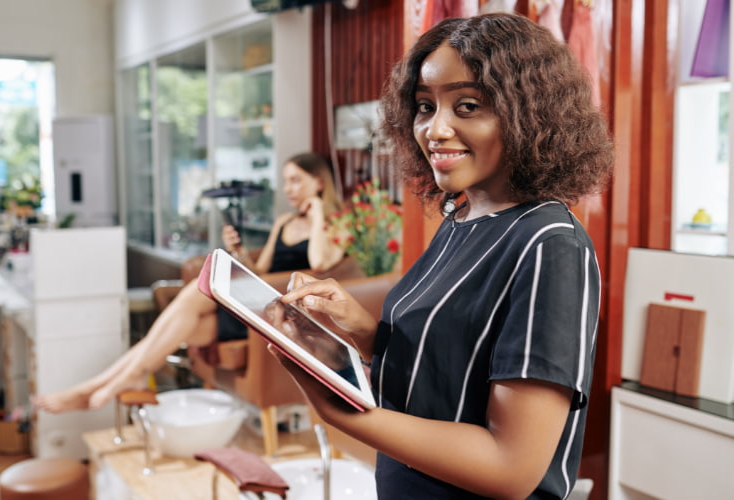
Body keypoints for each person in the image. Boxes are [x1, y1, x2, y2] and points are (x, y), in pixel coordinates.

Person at [276, 14, 614, 500]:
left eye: (468, 105)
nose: (435, 129)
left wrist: (345, 412)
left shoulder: (550, 244)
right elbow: (452, 372)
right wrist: (361, 331)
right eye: (424, 106)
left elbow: (512, 467)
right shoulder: (462, 215)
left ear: (529, 113)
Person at [32, 152, 346, 413]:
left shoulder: (337, 223)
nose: (288, 188)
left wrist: (318, 212)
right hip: (260, 302)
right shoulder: (284, 222)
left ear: (318, 182)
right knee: (172, 332)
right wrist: (238, 250)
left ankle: (107, 384)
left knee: (192, 293)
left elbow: (319, 262)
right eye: (286, 180)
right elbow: (261, 269)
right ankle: (107, 383)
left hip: (281, 314)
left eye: (296, 180)